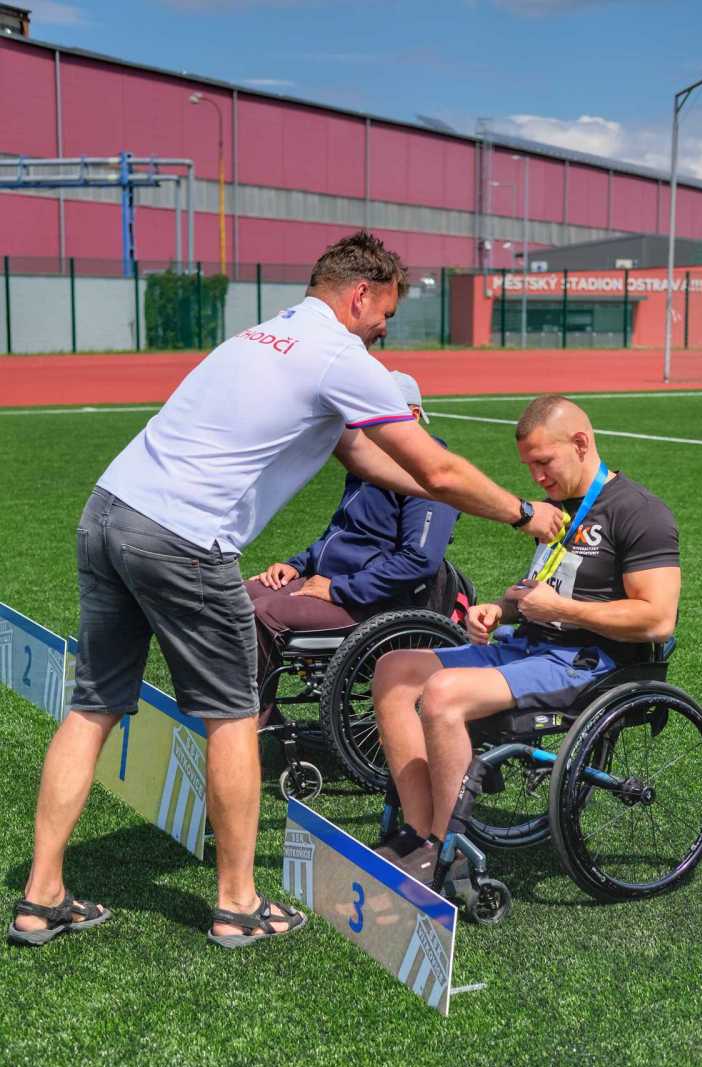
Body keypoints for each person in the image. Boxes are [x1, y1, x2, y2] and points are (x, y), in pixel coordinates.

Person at [9, 231, 562, 950]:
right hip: (183, 537)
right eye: (385, 314)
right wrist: (522, 512)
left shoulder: (262, 336)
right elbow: (438, 468)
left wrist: (438, 492)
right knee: (233, 717)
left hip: (108, 511)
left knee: (93, 707)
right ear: (359, 295)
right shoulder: (341, 355)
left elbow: (362, 456)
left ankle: (41, 896)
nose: (384, 331)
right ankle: (238, 904)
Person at [372, 393, 681, 883]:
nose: (536, 477)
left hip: (585, 661)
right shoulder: (555, 510)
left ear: (581, 443)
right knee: (393, 671)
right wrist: (501, 608)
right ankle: (418, 830)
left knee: (444, 693)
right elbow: (539, 588)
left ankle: (445, 848)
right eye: (529, 466)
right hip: (527, 646)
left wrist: (559, 610)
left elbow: (658, 619)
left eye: (543, 462)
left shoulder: (640, 512)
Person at [245, 372, 459, 729]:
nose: (363, 425)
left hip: (375, 603)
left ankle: (250, 724)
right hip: (335, 585)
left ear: (412, 415)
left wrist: (337, 589)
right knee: (236, 596)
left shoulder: (428, 472)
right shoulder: (369, 464)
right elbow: (341, 533)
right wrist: (296, 565)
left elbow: (420, 559)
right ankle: (256, 718)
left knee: (261, 614)